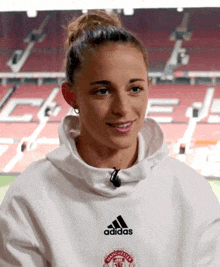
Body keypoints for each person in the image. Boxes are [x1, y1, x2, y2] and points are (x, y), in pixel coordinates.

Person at [0, 10, 220, 267]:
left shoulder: (192, 193)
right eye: (102, 91)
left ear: (148, 86)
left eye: (135, 89)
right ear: (71, 95)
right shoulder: (28, 199)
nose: (123, 108)